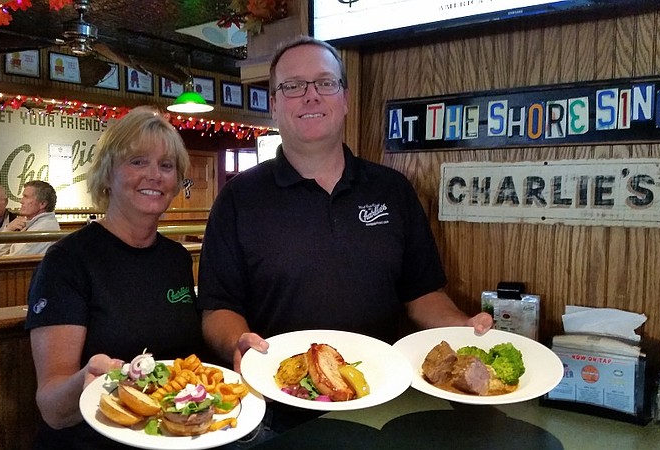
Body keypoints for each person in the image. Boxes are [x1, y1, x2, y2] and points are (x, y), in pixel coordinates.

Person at [197, 36, 493, 439]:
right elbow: (217, 309)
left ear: (345, 98)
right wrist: (238, 341)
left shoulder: (392, 190)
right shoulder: (238, 198)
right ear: (274, 104)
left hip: (386, 404)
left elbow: (422, 294)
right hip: (278, 413)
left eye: (325, 83)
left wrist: (463, 331)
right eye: (293, 86)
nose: (310, 96)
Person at [25, 106, 205, 449]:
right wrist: (85, 380)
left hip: (171, 439)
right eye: (137, 161)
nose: (154, 175)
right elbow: (51, 408)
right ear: (107, 174)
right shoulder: (67, 261)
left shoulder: (176, 258)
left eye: (166, 166)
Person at [0, 180, 60, 257]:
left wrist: (7, 231)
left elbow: (8, 261)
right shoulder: (34, 224)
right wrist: (8, 229)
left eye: (26, 197)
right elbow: (1, 255)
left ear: (42, 204)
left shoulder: (41, 230)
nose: (21, 201)